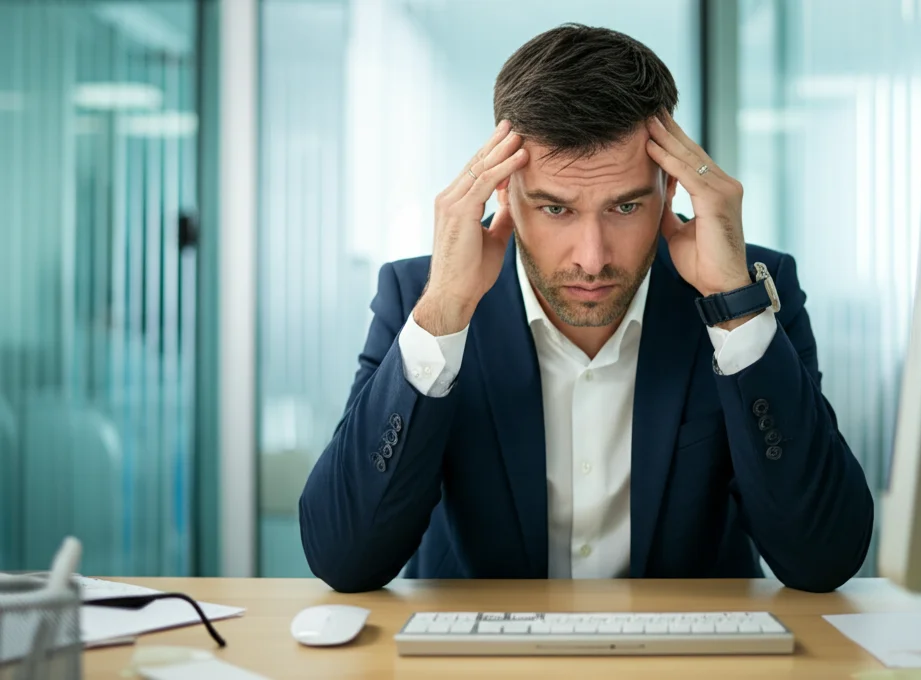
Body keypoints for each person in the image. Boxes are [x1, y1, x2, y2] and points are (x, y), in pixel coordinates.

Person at [299, 24, 873, 594]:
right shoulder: (419, 296)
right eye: (555, 209)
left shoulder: (748, 290)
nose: (592, 259)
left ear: (671, 190)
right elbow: (345, 559)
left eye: (625, 206)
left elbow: (822, 557)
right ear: (504, 192)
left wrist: (736, 312)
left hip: (689, 656)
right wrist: (444, 311)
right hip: (481, 658)